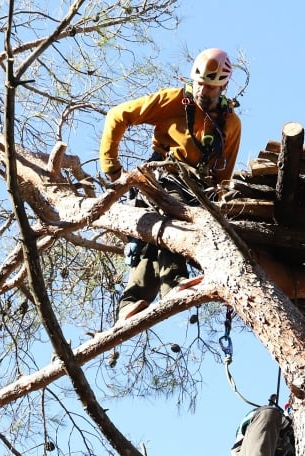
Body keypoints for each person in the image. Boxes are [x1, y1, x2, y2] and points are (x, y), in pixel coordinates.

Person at [99, 48, 242, 322]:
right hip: (165, 174)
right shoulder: (175, 100)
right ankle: (174, 283)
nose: (203, 90)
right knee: (171, 218)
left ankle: (131, 302)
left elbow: (225, 173)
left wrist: (219, 208)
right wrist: (112, 167)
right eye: (199, 83)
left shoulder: (230, 123)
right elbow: (118, 115)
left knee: (155, 239)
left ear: (223, 85)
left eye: (210, 86)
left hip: (199, 189)